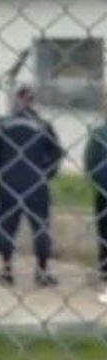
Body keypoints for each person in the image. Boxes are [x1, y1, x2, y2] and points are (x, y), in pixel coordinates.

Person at [0, 85, 65, 286]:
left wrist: (4, 168)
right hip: (36, 182)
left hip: (9, 182)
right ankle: (41, 272)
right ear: (33, 101)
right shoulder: (43, 125)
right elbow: (56, 153)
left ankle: (6, 271)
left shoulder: (2, 125)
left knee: (7, 228)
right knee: (40, 228)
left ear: (15, 100)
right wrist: (46, 173)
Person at [85, 102, 107, 298]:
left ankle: (105, 268)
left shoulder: (99, 133)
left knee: (104, 230)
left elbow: (90, 161)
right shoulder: (99, 133)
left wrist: (97, 181)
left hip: (103, 189)